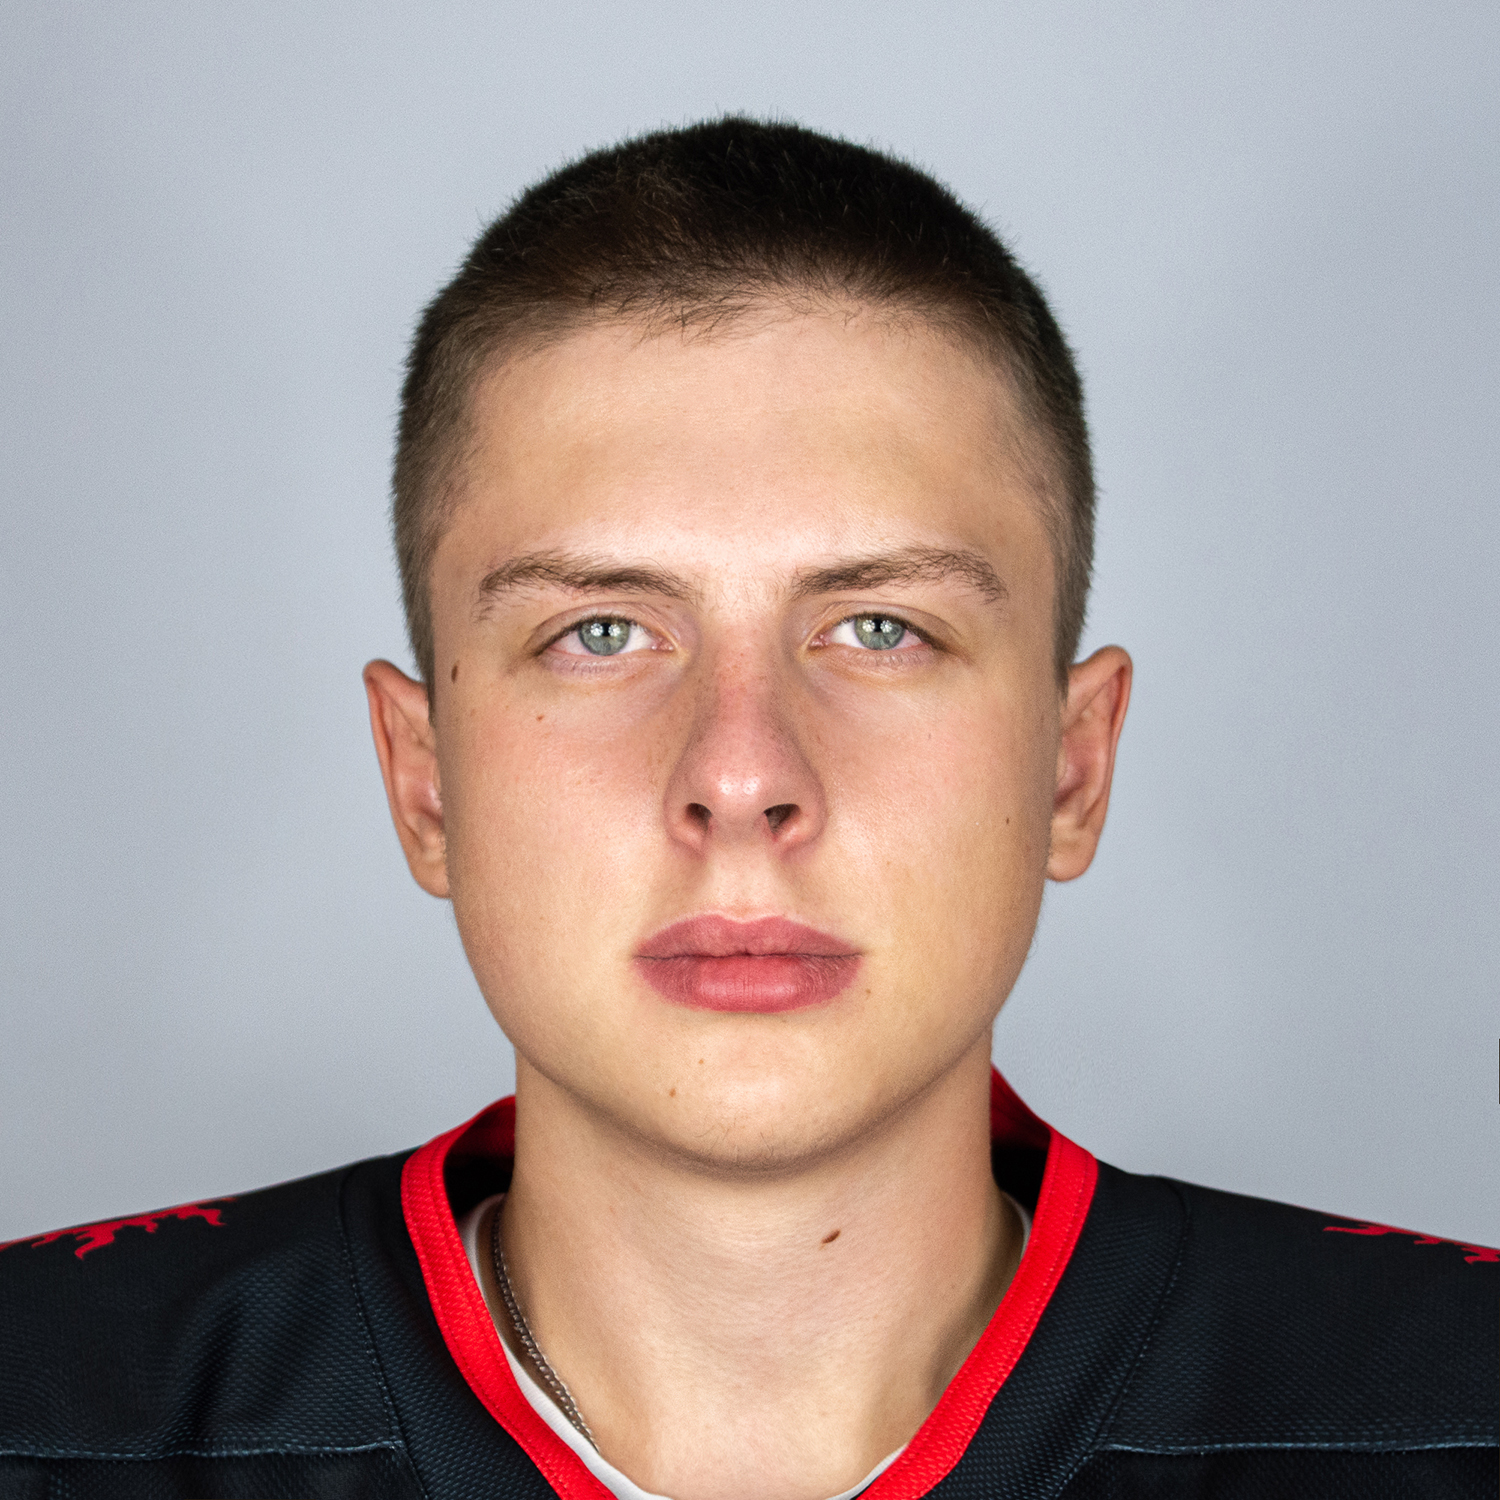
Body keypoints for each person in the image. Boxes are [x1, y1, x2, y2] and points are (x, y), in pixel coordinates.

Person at [0, 117, 1492, 1500]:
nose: (740, 774)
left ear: (1071, 766)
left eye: (880, 629)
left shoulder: (1454, 1407)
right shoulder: (47, 1404)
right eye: (600, 633)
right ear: (425, 780)